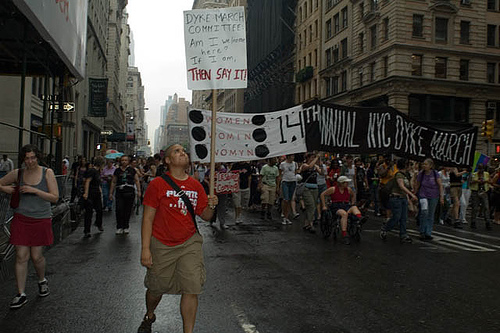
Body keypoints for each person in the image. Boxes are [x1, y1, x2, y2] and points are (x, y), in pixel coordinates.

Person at [138, 144, 218, 333]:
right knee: (156, 288)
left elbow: (205, 216)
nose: (182, 153)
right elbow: (148, 218)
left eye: (183, 151)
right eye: (176, 151)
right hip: (162, 243)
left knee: (192, 288)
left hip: (190, 242)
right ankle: (150, 314)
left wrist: (212, 205)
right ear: (167, 160)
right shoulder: (157, 184)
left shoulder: (196, 185)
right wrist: (145, 248)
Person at [0, 144, 58, 309]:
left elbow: (54, 197)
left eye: (33, 157)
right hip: (21, 218)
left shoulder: (47, 173)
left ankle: (42, 280)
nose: (30, 161)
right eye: (27, 158)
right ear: (23, 159)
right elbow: (0, 183)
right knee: (21, 256)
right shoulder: (18, 173)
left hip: (41, 218)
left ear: (37, 157)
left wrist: (35, 191)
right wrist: (7, 189)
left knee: (36, 256)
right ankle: (21, 293)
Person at [379, 159, 417, 243]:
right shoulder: (399, 175)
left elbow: (408, 186)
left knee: (404, 218)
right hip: (396, 198)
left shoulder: (405, 175)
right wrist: (411, 195)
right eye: (409, 165)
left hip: (403, 198)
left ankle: (403, 234)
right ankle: (385, 228)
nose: (410, 167)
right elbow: (401, 186)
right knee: (397, 216)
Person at [320, 176, 364, 245]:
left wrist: (352, 202)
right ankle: (344, 233)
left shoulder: (348, 189)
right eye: (346, 182)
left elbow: (353, 195)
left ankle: (360, 218)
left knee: (354, 207)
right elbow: (322, 194)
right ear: (341, 183)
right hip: (336, 206)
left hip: (346, 205)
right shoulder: (333, 189)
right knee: (344, 214)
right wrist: (324, 206)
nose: (347, 184)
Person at [109, 155, 141, 235]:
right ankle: (119, 227)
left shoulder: (132, 170)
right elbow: (113, 181)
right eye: (122, 160)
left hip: (130, 192)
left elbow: (136, 180)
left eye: (125, 160)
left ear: (128, 161)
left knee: (127, 210)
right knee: (119, 209)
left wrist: (139, 191)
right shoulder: (117, 171)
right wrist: (111, 193)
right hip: (120, 191)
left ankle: (126, 226)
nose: (124, 162)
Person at [415, 158, 444, 240]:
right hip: (423, 195)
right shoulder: (421, 174)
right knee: (424, 212)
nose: (424, 166)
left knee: (431, 214)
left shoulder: (435, 174)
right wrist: (414, 194)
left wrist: (441, 197)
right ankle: (422, 231)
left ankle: (428, 232)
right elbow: (417, 184)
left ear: (430, 166)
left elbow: (440, 185)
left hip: (434, 196)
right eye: (423, 164)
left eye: (426, 164)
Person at [82, 156, 105, 237]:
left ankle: (98, 223)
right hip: (91, 193)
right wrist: (86, 193)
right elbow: (88, 181)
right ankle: (87, 230)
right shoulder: (92, 171)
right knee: (89, 212)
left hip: (96, 192)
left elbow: (97, 182)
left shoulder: (97, 172)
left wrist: (100, 190)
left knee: (99, 210)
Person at [300, 153, 321, 233]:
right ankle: (311, 224)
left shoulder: (315, 166)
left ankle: (306, 223)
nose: (313, 159)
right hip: (306, 188)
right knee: (311, 205)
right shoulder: (304, 165)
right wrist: (316, 158)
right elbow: (309, 167)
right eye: (312, 158)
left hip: (314, 187)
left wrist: (319, 165)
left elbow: (321, 172)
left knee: (312, 206)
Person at [469, 163, 491, 230]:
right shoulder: (474, 174)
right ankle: (473, 222)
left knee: (486, 207)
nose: (481, 170)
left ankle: (487, 222)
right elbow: (470, 182)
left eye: (482, 169)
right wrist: (476, 181)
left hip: (484, 191)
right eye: (480, 168)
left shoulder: (486, 174)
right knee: (475, 208)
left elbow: (490, 181)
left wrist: (485, 181)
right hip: (475, 192)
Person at [231, 160, 252, 224]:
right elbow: (231, 174)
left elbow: (249, 176)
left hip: (245, 187)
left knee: (244, 203)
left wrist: (249, 186)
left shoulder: (247, 166)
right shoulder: (235, 165)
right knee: (237, 203)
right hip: (236, 187)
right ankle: (237, 217)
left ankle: (240, 215)